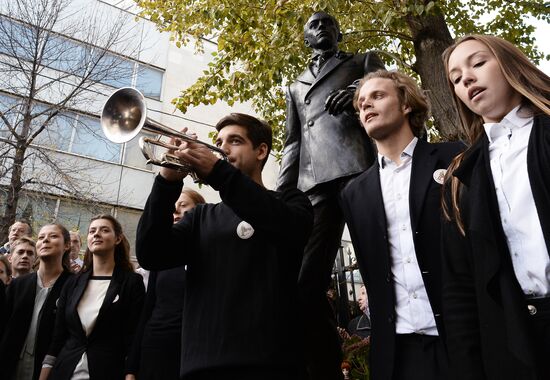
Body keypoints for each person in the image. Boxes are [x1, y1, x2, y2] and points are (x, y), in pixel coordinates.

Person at [136, 113, 313, 379]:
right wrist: (166, 181)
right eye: (219, 141)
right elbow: (151, 253)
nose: (223, 148)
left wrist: (219, 173)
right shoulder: (200, 217)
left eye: (235, 141)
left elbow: (285, 225)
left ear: (261, 151)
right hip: (203, 364)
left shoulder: (290, 201)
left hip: (272, 364)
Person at [276, 11, 385, 379]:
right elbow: (293, 142)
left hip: (356, 170)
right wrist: (282, 194)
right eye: (313, 25)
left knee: (379, 263)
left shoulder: (361, 61)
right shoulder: (294, 85)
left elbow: (387, 90)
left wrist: (357, 92)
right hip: (313, 185)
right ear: (306, 39)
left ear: (339, 32)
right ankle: (326, 364)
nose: (322, 27)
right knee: (306, 281)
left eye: (328, 23)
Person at [340, 70, 464, 380]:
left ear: (406, 104)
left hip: (461, 340)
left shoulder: (454, 157)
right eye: (361, 104)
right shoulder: (354, 193)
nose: (366, 106)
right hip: (397, 353)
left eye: (377, 96)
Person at [441, 35, 550, 380]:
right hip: (514, 341)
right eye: (456, 79)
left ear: (508, 63)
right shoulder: (462, 176)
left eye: (477, 63)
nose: (467, 79)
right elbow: (460, 286)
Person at [40, 215, 145, 380]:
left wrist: (130, 373)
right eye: (92, 231)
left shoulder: (131, 282)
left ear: (117, 238)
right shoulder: (73, 282)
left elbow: (134, 334)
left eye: (104, 230)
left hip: (108, 370)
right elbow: (59, 335)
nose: (96, 234)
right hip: (65, 369)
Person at [128, 188, 205, 380]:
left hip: (196, 350)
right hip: (156, 350)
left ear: (200, 211)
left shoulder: (210, 255)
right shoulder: (161, 259)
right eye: (172, 209)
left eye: (183, 205)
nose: (176, 212)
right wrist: (131, 368)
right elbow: (148, 309)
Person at [0, 224, 72, 380]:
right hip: (9, 366)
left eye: (53, 236)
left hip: (50, 369)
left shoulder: (74, 285)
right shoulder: (18, 284)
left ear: (67, 245)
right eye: (41, 237)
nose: (45, 240)